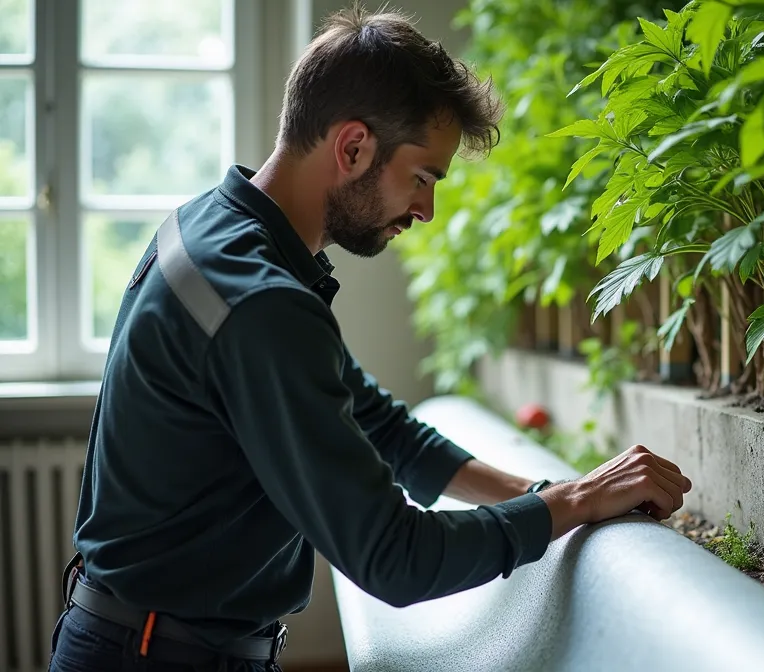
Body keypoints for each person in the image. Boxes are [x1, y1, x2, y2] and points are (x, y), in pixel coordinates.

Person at [48, 7, 692, 671]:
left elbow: (379, 424)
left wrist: (543, 490)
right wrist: (574, 503)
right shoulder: (261, 303)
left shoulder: (212, 231)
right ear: (353, 147)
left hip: (140, 640)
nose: (426, 210)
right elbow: (395, 557)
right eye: (422, 178)